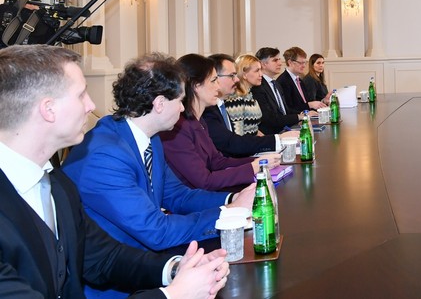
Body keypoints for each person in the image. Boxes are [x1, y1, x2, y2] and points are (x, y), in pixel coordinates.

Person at [4, 46, 230, 299]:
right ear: (48, 109)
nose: (91, 105)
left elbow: (103, 258)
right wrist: (173, 295)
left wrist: (175, 269)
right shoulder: (97, 156)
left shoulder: (55, 183)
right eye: (81, 95)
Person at [161, 54, 279, 191]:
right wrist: (253, 167)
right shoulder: (178, 127)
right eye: (213, 81)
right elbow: (204, 181)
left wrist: (261, 161)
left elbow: (217, 161)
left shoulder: (199, 121)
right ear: (196, 86)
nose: (218, 86)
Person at [202, 53, 284, 158]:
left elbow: (251, 130)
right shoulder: (216, 108)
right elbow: (234, 142)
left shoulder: (225, 103)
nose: (237, 79)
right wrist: (276, 139)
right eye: (231, 75)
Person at [252, 47, 302, 134]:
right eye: (275, 60)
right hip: (271, 134)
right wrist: (298, 117)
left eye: (279, 59)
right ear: (263, 64)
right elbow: (270, 119)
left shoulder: (276, 84)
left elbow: (285, 110)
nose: (280, 63)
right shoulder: (258, 87)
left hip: (284, 129)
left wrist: (303, 114)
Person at [277, 46, 327, 113]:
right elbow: (288, 109)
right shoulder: (283, 81)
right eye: (301, 63)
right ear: (290, 62)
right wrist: (309, 105)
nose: (304, 66)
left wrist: (322, 101)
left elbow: (305, 102)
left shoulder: (299, 80)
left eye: (305, 62)